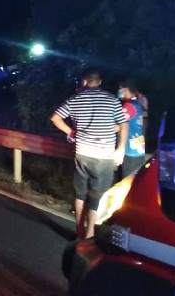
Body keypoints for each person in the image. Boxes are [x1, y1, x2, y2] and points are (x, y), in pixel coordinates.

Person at [50, 68, 128, 239]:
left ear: (84, 82)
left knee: (80, 193)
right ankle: (90, 234)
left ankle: (79, 231)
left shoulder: (75, 99)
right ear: (99, 82)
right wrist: (120, 149)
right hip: (104, 156)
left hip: (83, 153)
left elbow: (55, 118)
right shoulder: (112, 100)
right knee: (97, 196)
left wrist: (72, 133)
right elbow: (123, 124)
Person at [116, 79, 146, 180]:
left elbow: (118, 126)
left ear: (125, 90)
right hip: (137, 149)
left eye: (120, 90)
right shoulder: (136, 104)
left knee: (127, 181)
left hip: (130, 150)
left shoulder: (129, 106)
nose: (119, 92)